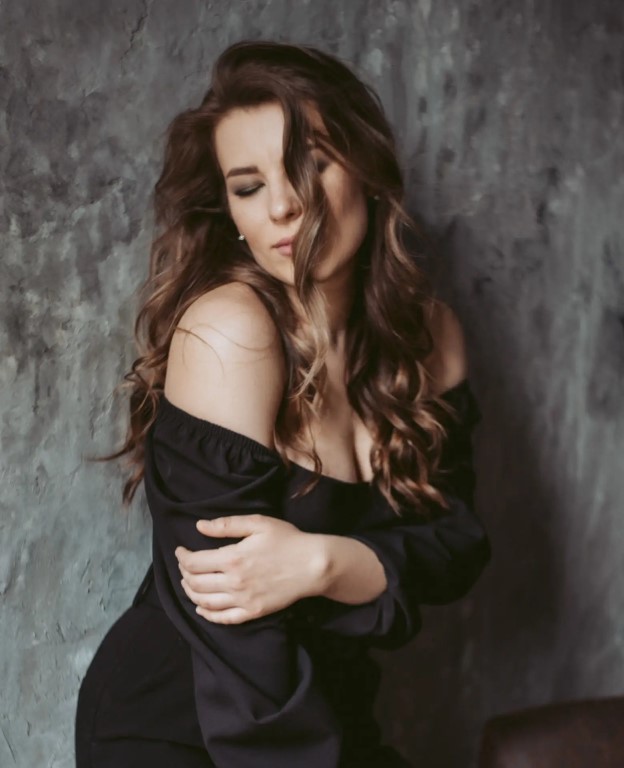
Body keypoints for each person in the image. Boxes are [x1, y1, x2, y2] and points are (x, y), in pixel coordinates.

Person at [75, 39, 491, 768]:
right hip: (192, 724)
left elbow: (457, 545)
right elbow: (231, 630)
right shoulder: (232, 332)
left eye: (312, 163)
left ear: (366, 168)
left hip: (327, 712)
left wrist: (327, 562)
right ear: (231, 214)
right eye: (248, 186)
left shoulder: (430, 337)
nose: (283, 205)